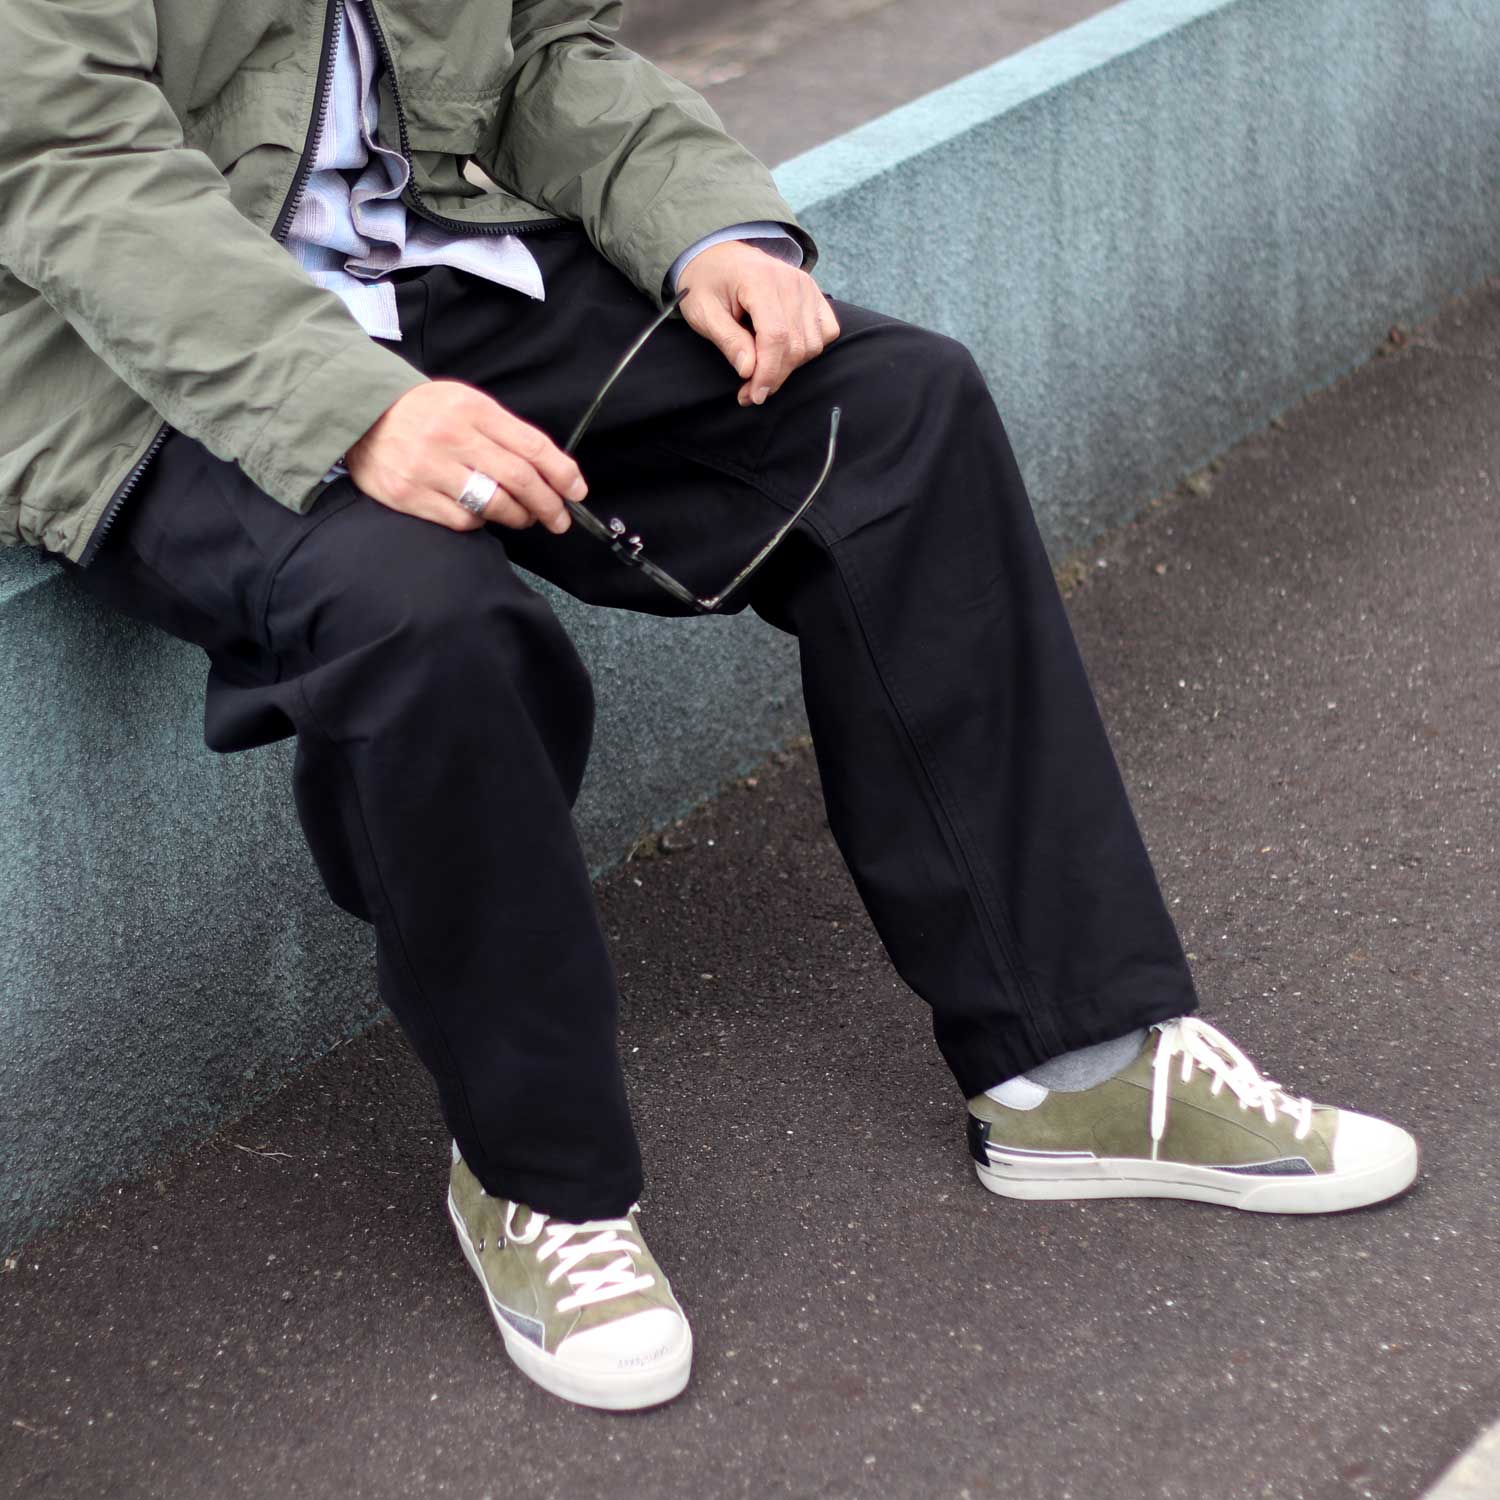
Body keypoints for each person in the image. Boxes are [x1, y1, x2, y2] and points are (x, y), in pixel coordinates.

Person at [0, 0, 1418, 1413]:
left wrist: (712, 232)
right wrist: (353, 409)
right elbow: (65, 165)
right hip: (125, 364)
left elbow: (541, 50)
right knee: (422, 619)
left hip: (417, 265)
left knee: (893, 411)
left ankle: (1076, 1061)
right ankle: (540, 1181)